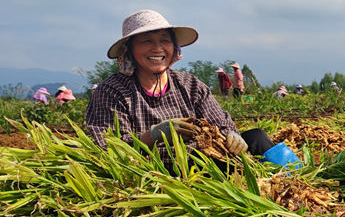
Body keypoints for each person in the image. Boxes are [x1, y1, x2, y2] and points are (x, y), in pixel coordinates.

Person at [85, 9, 278, 168]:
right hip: (157, 171)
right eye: (146, 41)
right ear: (130, 49)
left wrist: (231, 135)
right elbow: (107, 148)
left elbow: (222, 123)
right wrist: (154, 135)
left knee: (256, 137)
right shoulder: (113, 91)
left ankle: (297, 180)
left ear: (174, 47)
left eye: (164, 40)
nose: (158, 48)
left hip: (204, 162)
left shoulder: (190, 85)